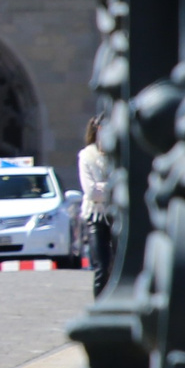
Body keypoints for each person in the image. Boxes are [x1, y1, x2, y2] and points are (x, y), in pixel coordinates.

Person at [79, 116, 114, 296]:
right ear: (98, 129)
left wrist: (102, 188)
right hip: (95, 217)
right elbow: (91, 192)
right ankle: (100, 306)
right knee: (102, 266)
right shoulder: (86, 156)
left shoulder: (117, 154)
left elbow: (123, 185)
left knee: (118, 266)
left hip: (117, 215)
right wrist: (110, 187)